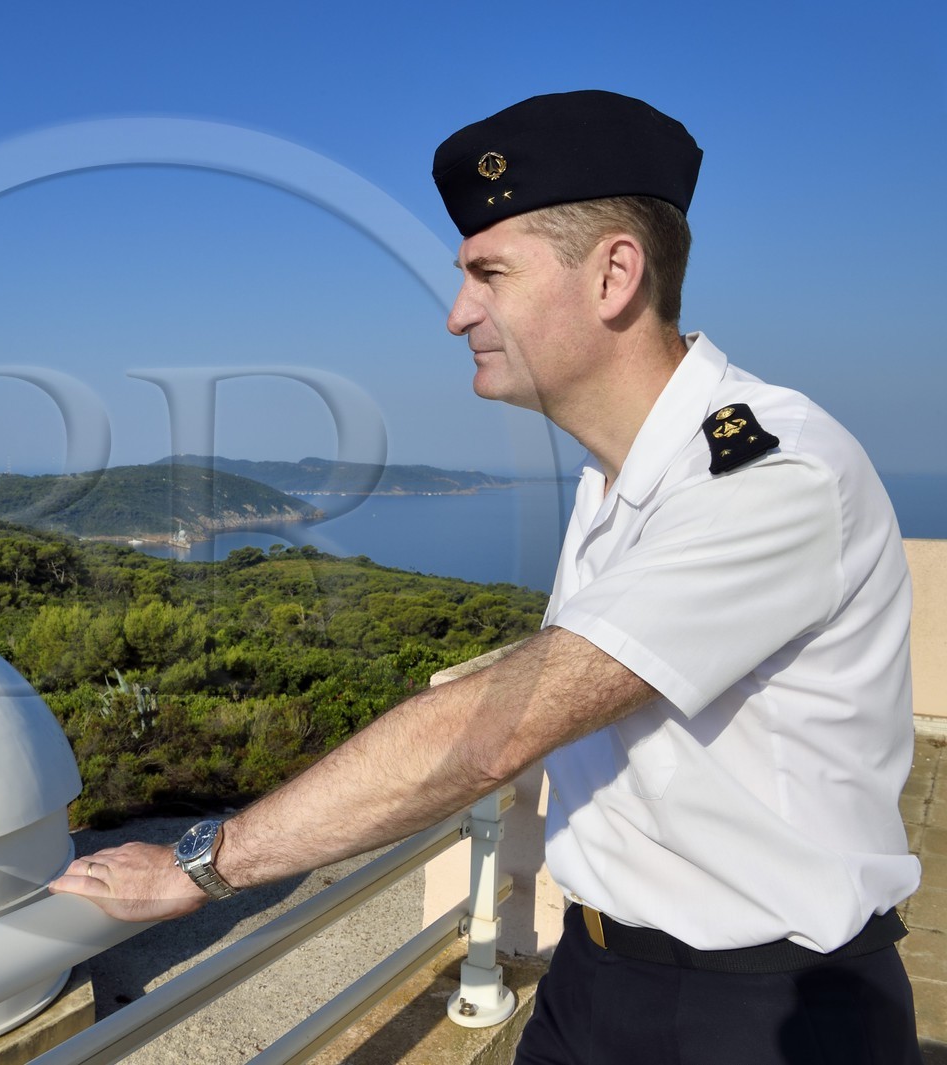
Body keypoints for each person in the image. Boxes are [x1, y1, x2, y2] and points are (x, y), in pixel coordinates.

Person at [49, 90, 922, 1063]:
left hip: (763, 1009)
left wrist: (196, 870)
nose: (459, 312)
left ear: (612, 276)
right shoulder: (619, 473)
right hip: (594, 973)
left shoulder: (766, 474)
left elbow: (488, 733)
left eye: (489, 274)